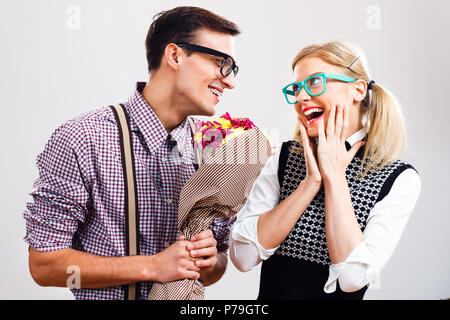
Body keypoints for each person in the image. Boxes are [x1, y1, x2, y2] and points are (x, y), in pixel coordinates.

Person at [23, 6, 240, 300]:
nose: (229, 81)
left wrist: (210, 260)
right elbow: (43, 265)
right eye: (220, 63)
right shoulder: (83, 138)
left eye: (232, 69)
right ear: (175, 56)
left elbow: (219, 264)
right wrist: (151, 267)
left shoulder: (217, 146)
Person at [229, 41, 421, 300]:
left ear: (358, 90)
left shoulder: (399, 178)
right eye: (297, 88)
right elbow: (243, 258)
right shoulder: (284, 158)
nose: (301, 98)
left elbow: (352, 279)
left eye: (315, 82)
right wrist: (309, 184)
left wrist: (335, 178)